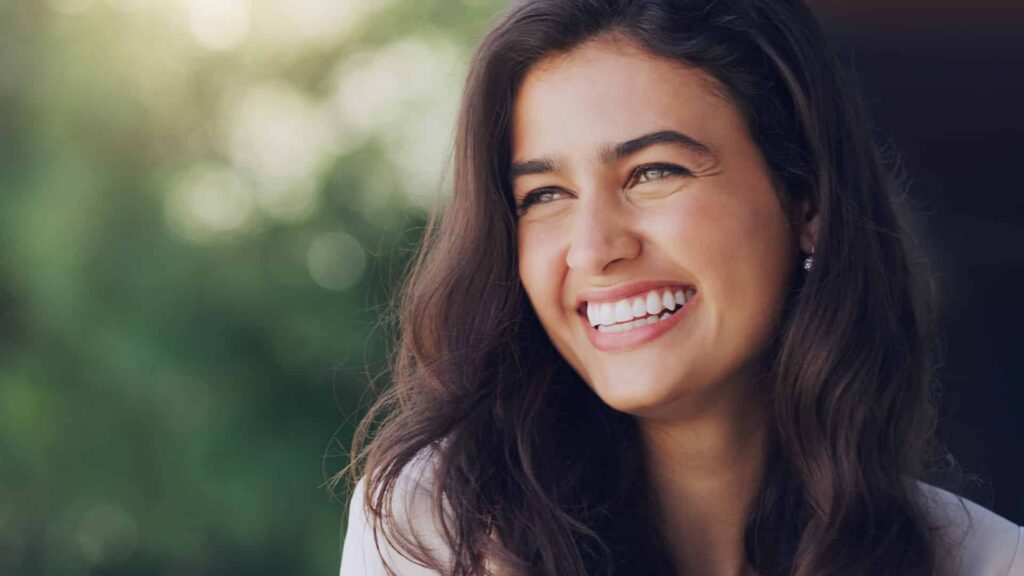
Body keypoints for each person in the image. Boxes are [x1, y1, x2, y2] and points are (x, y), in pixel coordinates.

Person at [335, 0, 1024, 574]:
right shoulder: (438, 528)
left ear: (806, 204)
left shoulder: (987, 562)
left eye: (654, 172)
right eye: (544, 193)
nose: (595, 248)